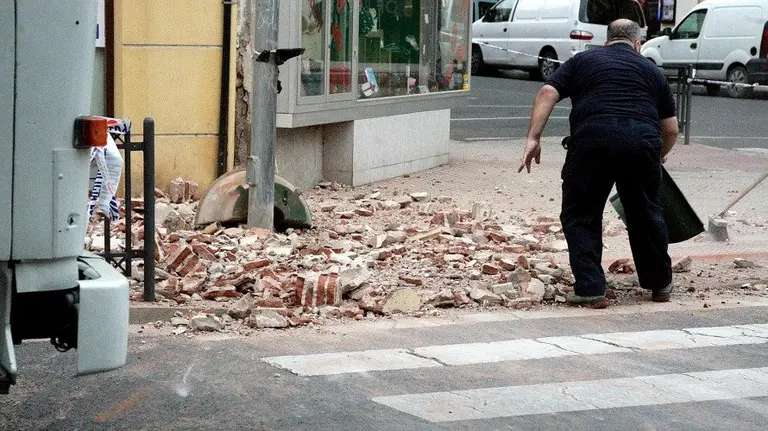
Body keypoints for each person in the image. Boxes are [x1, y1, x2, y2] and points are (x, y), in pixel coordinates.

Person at [518, 19, 679, 309]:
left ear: (605, 41)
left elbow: (547, 92)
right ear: (637, 43)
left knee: (581, 213)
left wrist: (533, 137)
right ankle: (659, 283)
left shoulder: (582, 60)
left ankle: (591, 288)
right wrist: (657, 156)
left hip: (591, 142)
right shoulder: (651, 70)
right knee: (645, 213)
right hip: (641, 143)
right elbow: (670, 129)